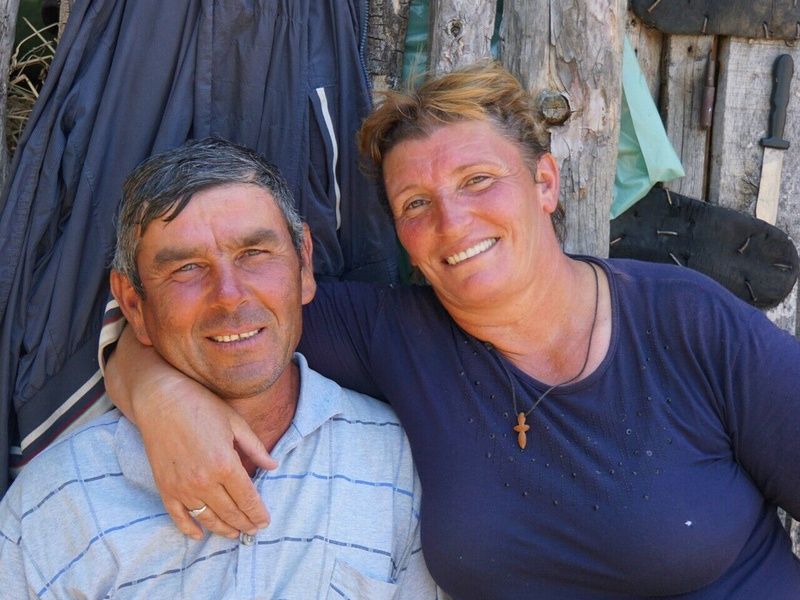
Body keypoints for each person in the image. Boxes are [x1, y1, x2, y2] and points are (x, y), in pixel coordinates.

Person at [105, 63, 800, 598]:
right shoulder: (390, 337)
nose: (453, 221)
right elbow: (205, 320)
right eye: (416, 202)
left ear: (546, 184)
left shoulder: (685, 323)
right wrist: (162, 398)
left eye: (478, 181)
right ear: (402, 234)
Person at [0, 139, 437, 599]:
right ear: (133, 303)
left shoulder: (397, 463)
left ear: (304, 262)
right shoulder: (54, 503)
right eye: (187, 268)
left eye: (254, 254)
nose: (230, 295)